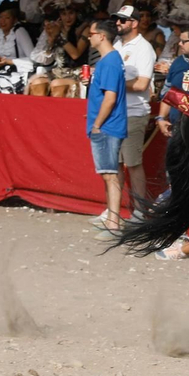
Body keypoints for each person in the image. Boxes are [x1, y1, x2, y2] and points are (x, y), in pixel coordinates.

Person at [83, 19, 127, 234]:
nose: (88, 37)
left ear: (101, 36)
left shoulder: (109, 62)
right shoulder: (110, 60)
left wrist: (97, 123)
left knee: (110, 174)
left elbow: (110, 97)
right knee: (110, 173)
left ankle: (113, 222)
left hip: (107, 126)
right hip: (107, 124)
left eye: (90, 33)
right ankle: (111, 217)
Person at [112, 4, 156, 209]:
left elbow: (141, 84)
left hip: (134, 111)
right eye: (117, 19)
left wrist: (114, 83)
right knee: (116, 164)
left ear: (134, 23)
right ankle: (115, 210)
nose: (117, 23)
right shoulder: (118, 44)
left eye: (122, 20)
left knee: (133, 163)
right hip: (117, 111)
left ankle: (139, 210)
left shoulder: (144, 48)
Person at [153, 26, 189, 137]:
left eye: (184, 41)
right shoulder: (177, 63)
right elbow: (168, 93)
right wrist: (161, 118)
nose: (179, 44)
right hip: (176, 127)